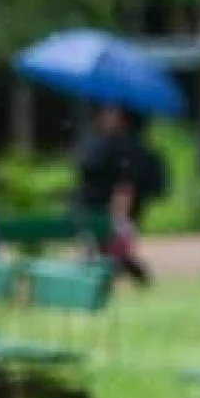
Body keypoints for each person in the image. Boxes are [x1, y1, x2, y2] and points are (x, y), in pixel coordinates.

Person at [77, 105, 166, 287]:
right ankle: (130, 276)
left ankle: (102, 280)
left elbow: (126, 187)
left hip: (110, 212)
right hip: (97, 211)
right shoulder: (108, 144)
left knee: (106, 252)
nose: (103, 116)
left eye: (110, 112)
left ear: (122, 118)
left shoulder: (125, 149)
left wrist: (119, 217)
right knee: (106, 253)